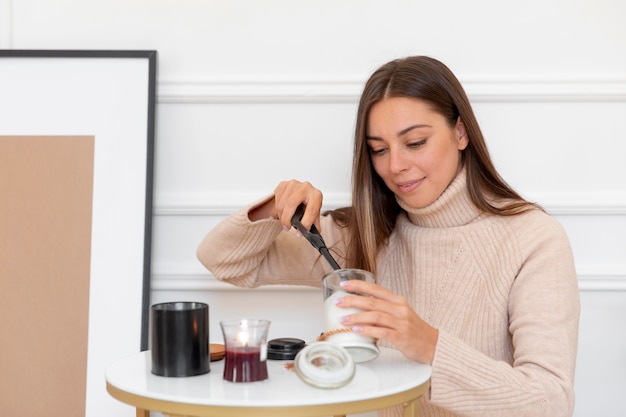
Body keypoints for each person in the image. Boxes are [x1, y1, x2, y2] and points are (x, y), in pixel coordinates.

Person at [197, 56, 580, 417]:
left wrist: (428, 345)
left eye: (415, 143)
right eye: (378, 149)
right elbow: (224, 261)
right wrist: (273, 208)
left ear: (460, 132)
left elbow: (550, 401)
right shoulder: (362, 234)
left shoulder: (532, 238)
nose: (395, 165)